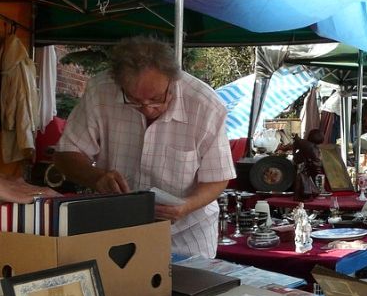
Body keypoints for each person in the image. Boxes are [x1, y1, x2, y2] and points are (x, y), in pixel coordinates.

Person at [54, 35, 235, 258]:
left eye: (158, 99)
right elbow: (66, 154)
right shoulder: (100, 91)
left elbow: (217, 177)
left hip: (186, 233)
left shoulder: (205, 105)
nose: (148, 109)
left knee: (190, 291)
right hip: (116, 228)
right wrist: (96, 177)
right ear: (118, 83)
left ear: (173, 79)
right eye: (134, 100)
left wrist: (185, 206)